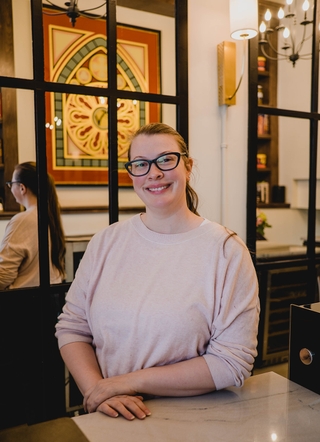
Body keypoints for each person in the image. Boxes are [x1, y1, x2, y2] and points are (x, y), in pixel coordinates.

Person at [55, 123, 260, 421]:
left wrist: (127, 382)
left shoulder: (226, 250)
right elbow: (72, 328)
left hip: (194, 423)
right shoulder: (106, 242)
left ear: (188, 167)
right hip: (110, 418)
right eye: (140, 164)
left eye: (166, 159)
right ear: (131, 175)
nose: (154, 173)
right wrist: (98, 393)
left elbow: (232, 362)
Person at [0, 161, 65, 289]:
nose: (10, 188)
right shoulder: (50, 215)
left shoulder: (22, 220)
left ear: (22, 188)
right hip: (50, 297)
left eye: (11, 184)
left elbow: (4, 276)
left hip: (25, 301)